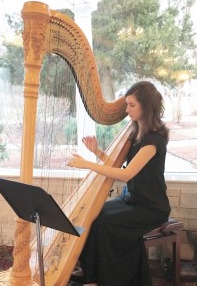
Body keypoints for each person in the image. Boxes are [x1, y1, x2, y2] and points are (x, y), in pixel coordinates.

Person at [67, 81, 171, 286]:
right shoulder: (135, 133)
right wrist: (96, 152)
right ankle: (92, 273)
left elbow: (126, 175)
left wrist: (88, 164)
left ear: (146, 107)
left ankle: (107, 278)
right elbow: (116, 165)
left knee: (105, 224)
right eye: (127, 105)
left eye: (132, 105)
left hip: (151, 206)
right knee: (93, 216)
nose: (126, 110)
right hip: (131, 199)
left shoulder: (154, 140)